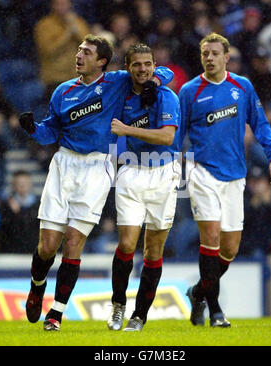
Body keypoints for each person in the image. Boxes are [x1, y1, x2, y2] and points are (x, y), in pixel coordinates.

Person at [18, 34, 173, 331]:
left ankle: (56, 313)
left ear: (101, 61)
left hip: (97, 167)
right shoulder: (63, 92)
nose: (78, 55)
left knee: (74, 242)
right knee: (47, 246)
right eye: (78, 50)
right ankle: (37, 285)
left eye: (86, 52)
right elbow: (51, 131)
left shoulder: (117, 82)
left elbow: (155, 71)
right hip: (64, 164)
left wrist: (154, 83)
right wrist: (33, 129)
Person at [178, 32, 271, 327]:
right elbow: (176, 133)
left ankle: (198, 291)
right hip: (202, 173)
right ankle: (215, 310)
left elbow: (260, 125)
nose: (209, 58)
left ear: (226, 57)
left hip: (236, 175)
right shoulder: (189, 91)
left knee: (229, 249)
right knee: (210, 239)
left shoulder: (242, 87)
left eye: (214, 53)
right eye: (205, 54)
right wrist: (172, 162)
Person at [107, 43, 181, 332]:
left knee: (153, 251)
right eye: (136, 64)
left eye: (147, 64)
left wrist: (127, 130)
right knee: (126, 244)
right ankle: (117, 306)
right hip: (132, 171)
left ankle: (139, 316)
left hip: (164, 173)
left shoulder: (166, 95)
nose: (143, 69)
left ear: (153, 65)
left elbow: (166, 138)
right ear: (128, 67)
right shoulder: (120, 89)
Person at [33, 0, 91, 101]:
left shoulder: (78, 22)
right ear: (52, 6)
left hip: (78, 78)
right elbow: (48, 51)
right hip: (55, 79)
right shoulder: (44, 25)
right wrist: (67, 34)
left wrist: (75, 30)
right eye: (58, 4)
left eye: (64, 4)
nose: (62, 7)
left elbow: (89, 46)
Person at [0, 170, 40, 254]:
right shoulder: (6, 205)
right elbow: (4, 230)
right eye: (19, 183)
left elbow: (32, 229)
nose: (22, 186)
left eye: (25, 183)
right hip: (11, 252)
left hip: (32, 252)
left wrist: (18, 212)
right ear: (13, 185)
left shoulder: (39, 206)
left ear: (30, 184)